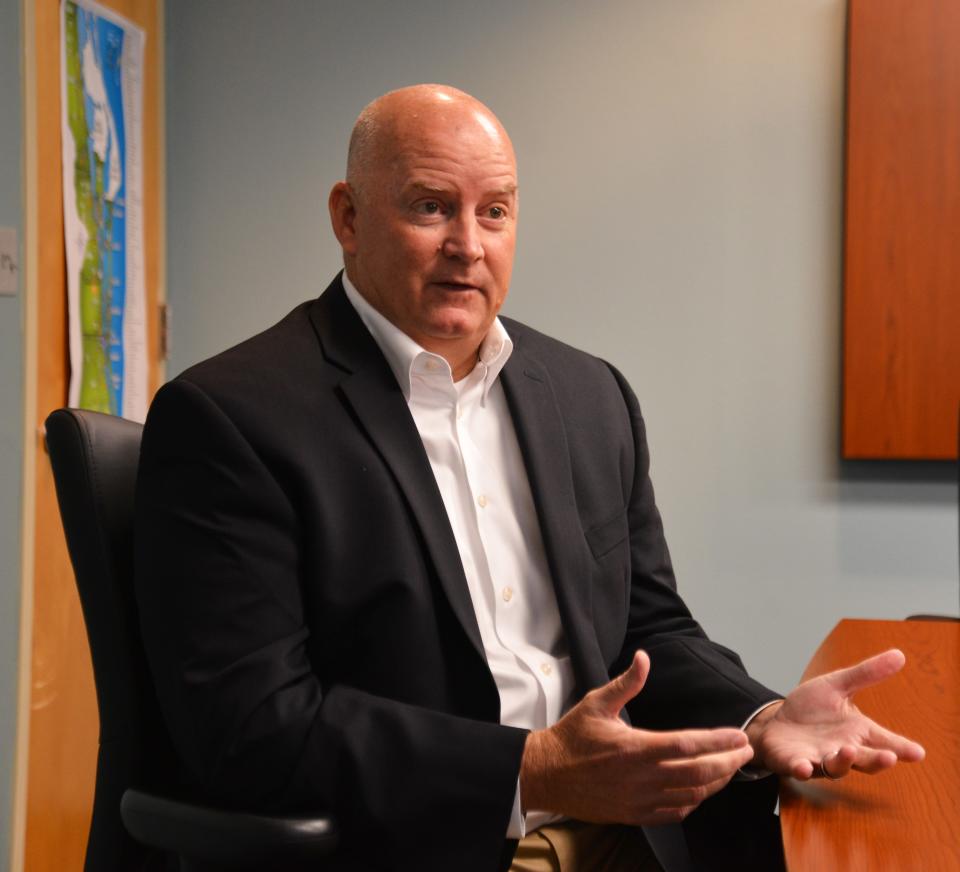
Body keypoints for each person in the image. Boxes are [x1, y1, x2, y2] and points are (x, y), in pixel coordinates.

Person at [134, 85, 924, 872]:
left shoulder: (588, 395)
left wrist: (761, 716)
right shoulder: (231, 418)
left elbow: (647, 629)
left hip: (628, 837)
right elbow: (252, 727)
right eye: (431, 207)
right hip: (423, 846)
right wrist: (530, 768)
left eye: (495, 212)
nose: (468, 245)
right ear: (348, 217)